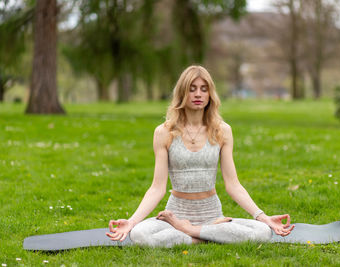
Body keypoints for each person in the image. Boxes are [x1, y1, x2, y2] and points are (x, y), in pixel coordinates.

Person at [106, 65, 294, 247]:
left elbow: (233, 185)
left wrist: (263, 217)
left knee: (262, 231)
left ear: (210, 94)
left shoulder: (223, 131)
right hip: (175, 216)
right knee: (140, 234)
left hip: (213, 216)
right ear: (182, 93)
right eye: (192, 89)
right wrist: (131, 222)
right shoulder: (164, 132)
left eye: (204, 89)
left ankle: (192, 232)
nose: (198, 94)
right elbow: (157, 188)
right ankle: (206, 236)